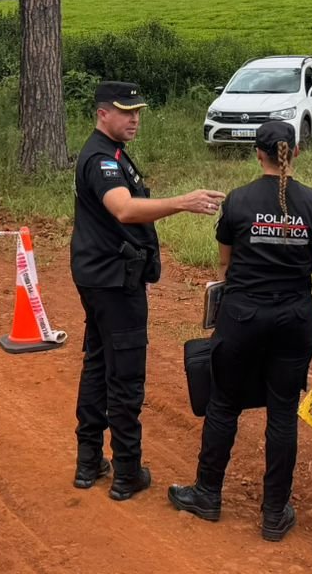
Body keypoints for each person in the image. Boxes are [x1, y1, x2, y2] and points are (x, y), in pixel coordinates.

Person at [168, 120, 312, 541]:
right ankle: (274, 513)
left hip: (242, 317)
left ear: (257, 154)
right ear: (296, 152)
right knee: (283, 413)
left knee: (223, 404)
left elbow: (225, 265)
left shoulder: (238, 200)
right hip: (294, 319)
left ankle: (207, 494)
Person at [71, 80, 225, 502]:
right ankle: (126, 472)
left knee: (98, 364)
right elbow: (123, 209)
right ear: (103, 113)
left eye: (137, 111)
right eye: (125, 112)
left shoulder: (112, 152)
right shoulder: (101, 159)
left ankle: (88, 462)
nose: (134, 119)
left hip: (100, 278)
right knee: (124, 376)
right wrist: (183, 202)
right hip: (114, 283)